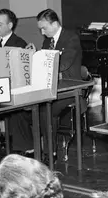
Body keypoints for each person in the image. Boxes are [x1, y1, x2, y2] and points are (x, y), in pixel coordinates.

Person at [8, 9, 85, 154]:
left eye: (44, 28)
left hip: (69, 89)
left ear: (55, 24)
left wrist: (42, 59)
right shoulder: (47, 40)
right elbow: (43, 63)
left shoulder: (71, 38)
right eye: (40, 29)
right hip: (48, 87)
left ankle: (50, 153)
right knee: (17, 109)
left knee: (44, 110)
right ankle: (28, 148)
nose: (42, 32)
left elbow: (63, 64)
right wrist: (33, 55)